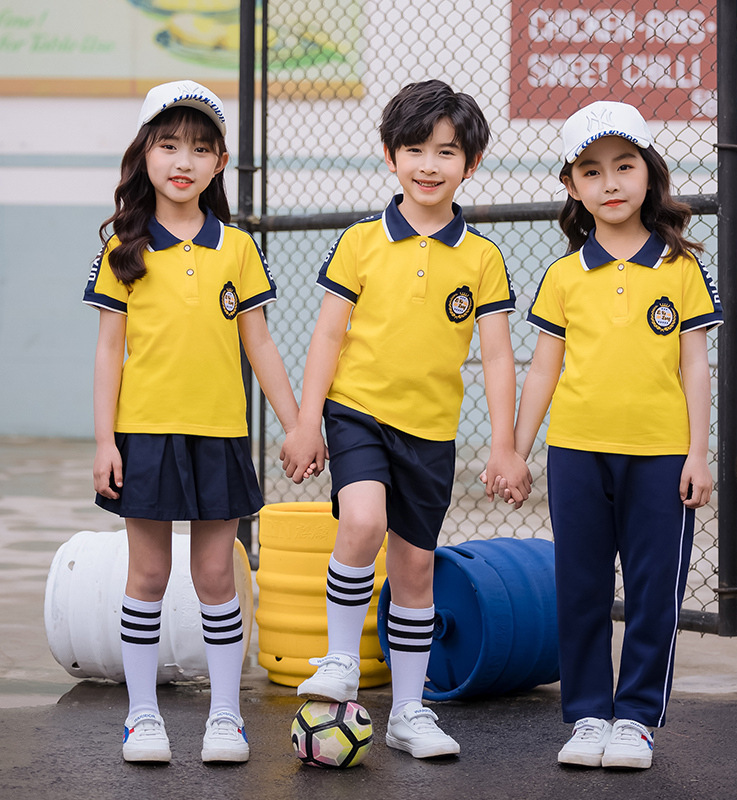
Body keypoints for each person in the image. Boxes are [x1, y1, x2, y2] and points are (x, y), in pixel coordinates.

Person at [280, 79, 532, 759]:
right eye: (414, 148)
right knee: (361, 522)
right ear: (390, 156)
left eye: (445, 152)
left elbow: (500, 357)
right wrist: (307, 422)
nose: (429, 164)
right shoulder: (361, 242)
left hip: (430, 431)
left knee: (416, 569)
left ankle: (410, 714)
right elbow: (327, 337)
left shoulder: (481, 257)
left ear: (470, 164)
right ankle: (339, 662)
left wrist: (505, 445)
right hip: (357, 412)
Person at [82, 80, 322, 764]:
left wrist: (299, 423)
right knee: (147, 578)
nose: (183, 160)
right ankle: (142, 719)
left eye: (200, 147)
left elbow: (262, 344)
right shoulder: (123, 248)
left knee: (217, 576)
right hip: (145, 438)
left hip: (219, 436)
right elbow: (108, 352)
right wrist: (106, 440)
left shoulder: (237, 249)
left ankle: (226, 716)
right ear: (144, 156)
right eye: (168, 144)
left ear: (220, 163)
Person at [513, 100, 723, 770]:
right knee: (580, 587)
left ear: (650, 174)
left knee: (654, 588)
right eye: (591, 170)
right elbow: (543, 368)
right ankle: (585, 717)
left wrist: (699, 454)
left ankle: (633, 719)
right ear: (572, 186)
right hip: (577, 452)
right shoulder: (564, 275)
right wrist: (515, 450)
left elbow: (695, 364)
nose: (610, 182)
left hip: (662, 456)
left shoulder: (682, 269)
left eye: (624, 165)